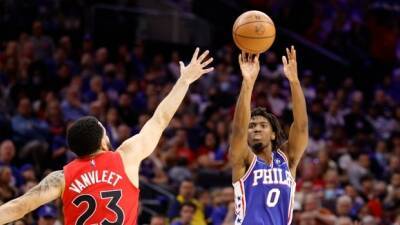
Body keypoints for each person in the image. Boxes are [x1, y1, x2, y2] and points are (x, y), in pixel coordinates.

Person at [0, 48, 214, 225]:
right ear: (102, 140)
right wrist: (184, 81)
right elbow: (160, 120)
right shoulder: (125, 158)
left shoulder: (61, 177)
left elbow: (19, 206)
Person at [229, 46, 308, 225]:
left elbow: (301, 127)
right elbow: (239, 130)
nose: (256, 128)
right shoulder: (244, 160)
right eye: (252, 126)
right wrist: (247, 83)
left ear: (273, 134)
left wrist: (294, 81)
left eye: (263, 125)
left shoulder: (288, 158)